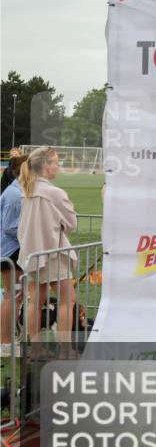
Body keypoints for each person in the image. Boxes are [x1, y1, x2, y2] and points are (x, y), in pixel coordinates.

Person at [17, 147, 78, 352]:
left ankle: (35, 347)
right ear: (45, 165)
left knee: (36, 300)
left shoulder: (26, 189)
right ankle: (65, 349)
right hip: (52, 253)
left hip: (31, 253)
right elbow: (71, 223)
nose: (58, 167)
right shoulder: (54, 192)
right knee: (66, 300)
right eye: (56, 163)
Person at [0, 153, 25, 346]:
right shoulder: (14, 194)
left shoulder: (18, 191)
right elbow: (9, 226)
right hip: (11, 250)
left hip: (14, 249)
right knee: (13, 295)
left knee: (16, 295)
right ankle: (5, 342)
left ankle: (9, 339)